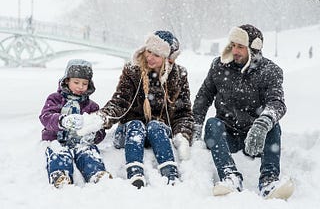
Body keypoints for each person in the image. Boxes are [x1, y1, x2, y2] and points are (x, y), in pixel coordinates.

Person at [73, 30, 194, 188]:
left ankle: (170, 172)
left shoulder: (179, 75)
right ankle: (135, 173)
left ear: (168, 59)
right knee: (136, 124)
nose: (149, 57)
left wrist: (183, 136)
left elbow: (183, 112)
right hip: (129, 132)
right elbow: (120, 101)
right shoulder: (133, 70)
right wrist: (102, 118)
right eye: (148, 51)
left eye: (156, 55)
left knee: (155, 125)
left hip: (158, 134)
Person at [192, 24, 293, 199]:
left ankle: (269, 181)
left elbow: (277, 102)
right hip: (227, 135)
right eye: (233, 45)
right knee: (212, 124)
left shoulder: (269, 71)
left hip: (256, 138)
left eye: (240, 46)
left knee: (273, 125)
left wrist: (262, 124)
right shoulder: (219, 66)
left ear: (253, 49)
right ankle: (230, 177)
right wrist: (194, 127)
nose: (235, 50)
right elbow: (203, 97)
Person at [39, 59, 112, 188]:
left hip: (80, 141)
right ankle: (60, 174)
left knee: (88, 152)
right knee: (59, 153)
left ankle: (96, 173)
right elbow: (45, 117)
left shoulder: (91, 106)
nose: (80, 87)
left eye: (84, 83)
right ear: (67, 80)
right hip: (57, 140)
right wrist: (62, 120)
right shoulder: (55, 99)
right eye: (76, 82)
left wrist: (94, 135)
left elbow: (99, 128)